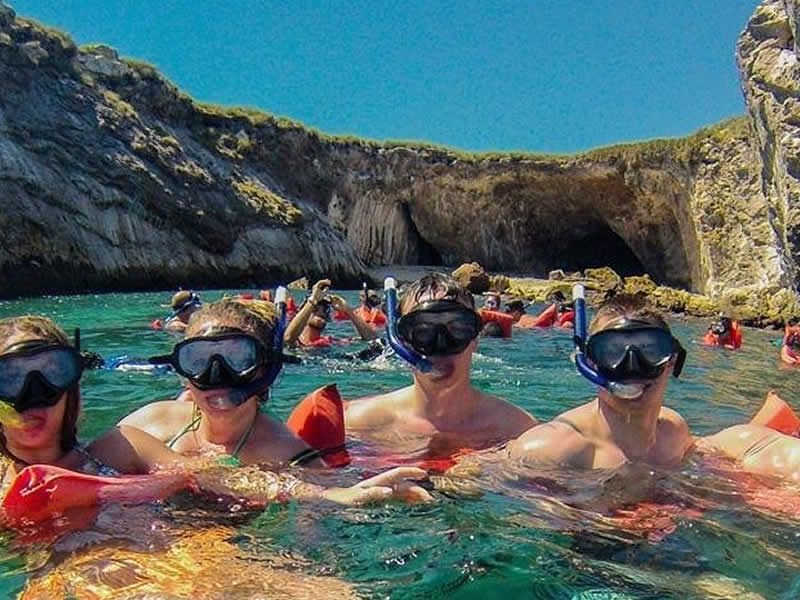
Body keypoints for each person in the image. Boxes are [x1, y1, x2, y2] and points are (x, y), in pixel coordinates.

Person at [0, 315, 427, 509]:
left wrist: (327, 493)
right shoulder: (148, 422)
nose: (32, 396)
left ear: (72, 387)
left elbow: (210, 474)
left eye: (51, 373)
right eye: (9, 378)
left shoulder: (116, 448)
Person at [345, 273, 537, 464]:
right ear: (402, 341)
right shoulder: (358, 424)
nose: (440, 345)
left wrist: (490, 475)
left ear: (475, 337)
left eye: (457, 328)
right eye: (422, 331)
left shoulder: (517, 430)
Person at [507, 294, 692, 468]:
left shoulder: (674, 432)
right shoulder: (552, 450)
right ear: (590, 362)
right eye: (612, 352)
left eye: (649, 350)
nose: (631, 366)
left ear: (672, 360)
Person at [283, 279, 377, 348]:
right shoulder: (296, 342)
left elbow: (372, 338)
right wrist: (312, 302)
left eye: (325, 309)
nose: (321, 312)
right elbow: (288, 338)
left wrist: (348, 310)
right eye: (315, 309)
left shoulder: (330, 342)